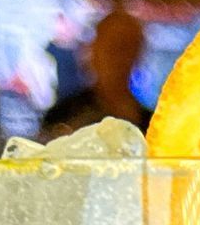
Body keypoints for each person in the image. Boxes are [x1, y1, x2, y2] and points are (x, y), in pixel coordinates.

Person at [41, 8, 149, 138]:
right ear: (94, 50)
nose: (119, 58)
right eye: (112, 47)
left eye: (126, 47)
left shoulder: (153, 124)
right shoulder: (62, 116)